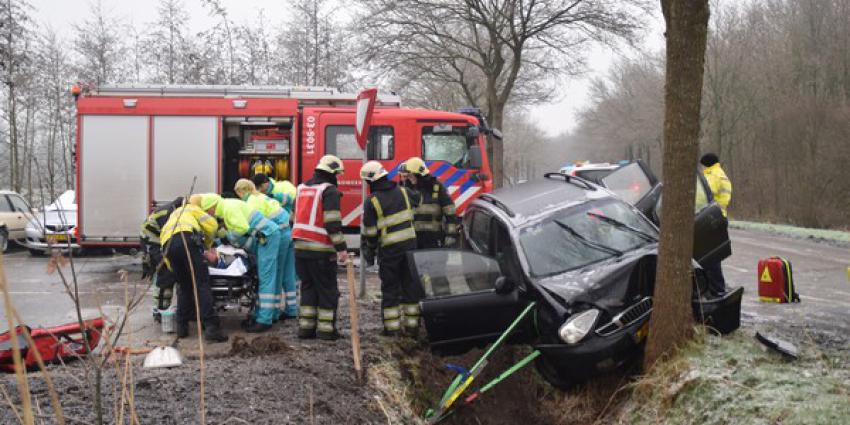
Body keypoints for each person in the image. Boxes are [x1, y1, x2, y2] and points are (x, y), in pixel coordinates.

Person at [192, 193, 281, 333]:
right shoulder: (229, 205)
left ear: (212, 207)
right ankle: (264, 315)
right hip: (266, 237)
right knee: (264, 278)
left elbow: (242, 229)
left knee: (266, 278)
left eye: (209, 211)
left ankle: (264, 321)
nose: (210, 214)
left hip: (267, 237)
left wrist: (227, 237)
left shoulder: (228, 208)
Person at [360, 161, 422, 336]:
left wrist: (369, 253)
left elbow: (371, 233)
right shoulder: (404, 192)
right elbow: (419, 200)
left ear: (370, 181)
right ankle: (412, 327)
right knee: (410, 288)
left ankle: (392, 329)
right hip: (410, 247)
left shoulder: (372, 202)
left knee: (390, 290)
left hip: (390, 251)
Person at [292, 155, 347, 340]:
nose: (338, 177)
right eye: (337, 174)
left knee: (308, 288)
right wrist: (342, 249)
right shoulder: (329, 190)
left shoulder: (301, 188)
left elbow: (294, 217)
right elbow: (332, 223)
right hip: (321, 250)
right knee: (327, 290)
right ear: (331, 172)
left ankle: (305, 329)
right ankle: (326, 331)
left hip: (300, 249)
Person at [159, 202, 227, 342]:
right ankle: (211, 328)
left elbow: (165, 253)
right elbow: (212, 225)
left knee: (184, 286)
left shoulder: (172, 217)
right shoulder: (192, 208)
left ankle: (182, 328)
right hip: (187, 240)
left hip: (168, 245)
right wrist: (207, 246)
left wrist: (176, 270)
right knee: (202, 283)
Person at [234, 179, 298, 320]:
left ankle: (272, 313)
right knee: (287, 273)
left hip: (279, 235)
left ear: (241, 191)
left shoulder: (251, 202)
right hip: (288, 231)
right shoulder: (261, 197)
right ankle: (292, 309)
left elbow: (253, 228)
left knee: (274, 273)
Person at [399, 157, 460, 248]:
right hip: (412, 238)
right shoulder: (407, 188)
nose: (409, 178)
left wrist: (451, 235)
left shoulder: (437, 187)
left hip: (433, 239)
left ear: (419, 174)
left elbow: (450, 212)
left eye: (410, 175)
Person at [140, 197, 183, 321]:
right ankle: (160, 309)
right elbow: (170, 234)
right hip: (152, 239)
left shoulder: (173, 210)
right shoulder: (170, 214)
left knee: (166, 270)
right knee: (164, 271)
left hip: (157, 237)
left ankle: (162, 307)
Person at [700, 152, 733, 296]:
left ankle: (716, 289)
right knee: (712, 256)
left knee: (711, 257)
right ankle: (713, 288)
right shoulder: (719, 172)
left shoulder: (713, 175)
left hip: (712, 219)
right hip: (717, 218)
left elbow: (704, 194)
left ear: (707, 163)